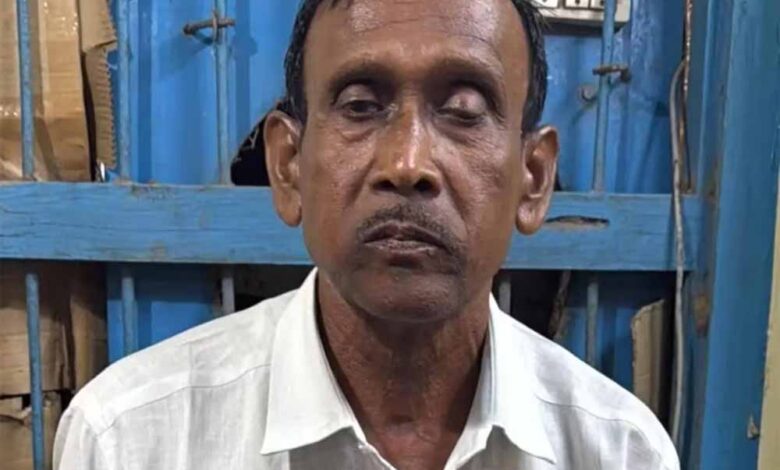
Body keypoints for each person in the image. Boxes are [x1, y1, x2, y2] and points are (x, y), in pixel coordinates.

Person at [54, 0, 679, 469]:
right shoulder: (130, 440)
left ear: (533, 178)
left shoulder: (620, 451)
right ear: (288, 167)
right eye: (359, 105)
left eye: (463, 111)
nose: (407, 163)